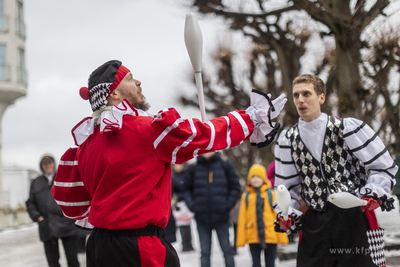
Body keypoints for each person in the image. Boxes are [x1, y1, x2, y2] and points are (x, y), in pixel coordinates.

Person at [51, 60, 287, 267]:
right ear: (114, 93)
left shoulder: (85, 145)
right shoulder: (147, 131)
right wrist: (251, 117)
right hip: (140, 246)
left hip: (99, 246)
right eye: (131, 78)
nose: (139, 82)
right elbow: (204, 135)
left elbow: (72, 203)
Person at [274, 74, 397, 267]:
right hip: (315, 222)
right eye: (296, 95)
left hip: (353, 218)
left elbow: (381, 165)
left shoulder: (347, 128)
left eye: (306, 93)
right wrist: (286, 213)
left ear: (321, 97)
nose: (300, 100)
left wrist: (374, 191)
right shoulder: (288, 140)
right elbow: (286, 186)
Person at [183, 151, 240, 267]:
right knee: (205, 252)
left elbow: (235, 188)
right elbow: (186, 190)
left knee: (227, 250)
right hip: (202, 218)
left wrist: (227, 205)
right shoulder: (193, 168)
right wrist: (193, 206)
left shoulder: (225, 165)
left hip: (222, 217)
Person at [26, 155, 80, 267]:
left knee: (72, 260)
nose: (48, 165)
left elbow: (75, 196)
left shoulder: (64, 177)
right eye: (45, 163)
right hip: (47, 226)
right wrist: (38, 217)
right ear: (41, 166)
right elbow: (30, 203)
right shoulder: (36, 182)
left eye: (50, 163)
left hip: (67, 225)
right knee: (52, 262)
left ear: (54, 164)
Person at [236, 164, 288, 267]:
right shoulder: (246, 196)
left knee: (270, 263)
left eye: (258, 177)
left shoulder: (271, 194)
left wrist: (282, 236)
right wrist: (241, 239)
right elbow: (242, 218)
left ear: (263, 178)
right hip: (253, 235)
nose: (255, 180)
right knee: (255, 263)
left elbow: (278, 215)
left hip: (270, 235)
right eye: (253, 177)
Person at [171, 164, 195, 252]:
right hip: (178, 205)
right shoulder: (173, 177)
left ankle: (189, 243)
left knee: (187, 224)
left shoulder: (187, 175)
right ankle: (185, 244)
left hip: (187, 203)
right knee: (181, 225)